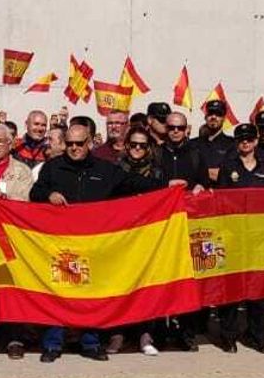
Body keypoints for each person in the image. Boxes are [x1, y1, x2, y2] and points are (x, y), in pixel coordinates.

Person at [30, 117, 159, 361]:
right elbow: (34, 193)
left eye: (79, 143)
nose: (74, 148)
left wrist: (169, 185)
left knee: (92, 296)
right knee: (58, 292)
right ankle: (52, 345)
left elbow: (135, 184)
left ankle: (90, 343)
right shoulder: (52, 167)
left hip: (95, 245)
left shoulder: (105, 169)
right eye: (69, 144)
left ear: (89, 142)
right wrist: (49, 194)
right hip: (61, 244)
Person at [213, 123, 264, 353]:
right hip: (233, 236)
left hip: (260, 237)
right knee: (231, 289)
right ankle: (228, 336)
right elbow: (219, 201)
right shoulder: (228, 167)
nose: (245, 142)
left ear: (256, 141)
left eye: (249, 139)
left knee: (258, 290)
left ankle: (257, 336)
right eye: (241, 139)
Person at [0, 123, 37, 358]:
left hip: (11, 237)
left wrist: (4, 196)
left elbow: (26, 201)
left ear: (10, 144)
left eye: (0, 141)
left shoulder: (21, 170)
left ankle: (15, 337)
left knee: (12, 289)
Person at [115, 126, 171, 356]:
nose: (138, 149)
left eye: (143, 145)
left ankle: (145, 335)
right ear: (127, 145)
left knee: (146, 288)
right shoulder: (116, 169)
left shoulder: (158, 173)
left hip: (148, 237)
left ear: (149, 148)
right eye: (134, 144)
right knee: (120, 285)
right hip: (121, 236)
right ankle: (117, 334)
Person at [194, 100, 235, 185]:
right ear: (205, 117)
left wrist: (200, 172)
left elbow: (232, 174)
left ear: (224, 118)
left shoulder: (232, 144)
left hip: (222, 194)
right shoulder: (193, 144)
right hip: (198, 195)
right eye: (210, 114)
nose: (213, 117)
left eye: (218, 114)